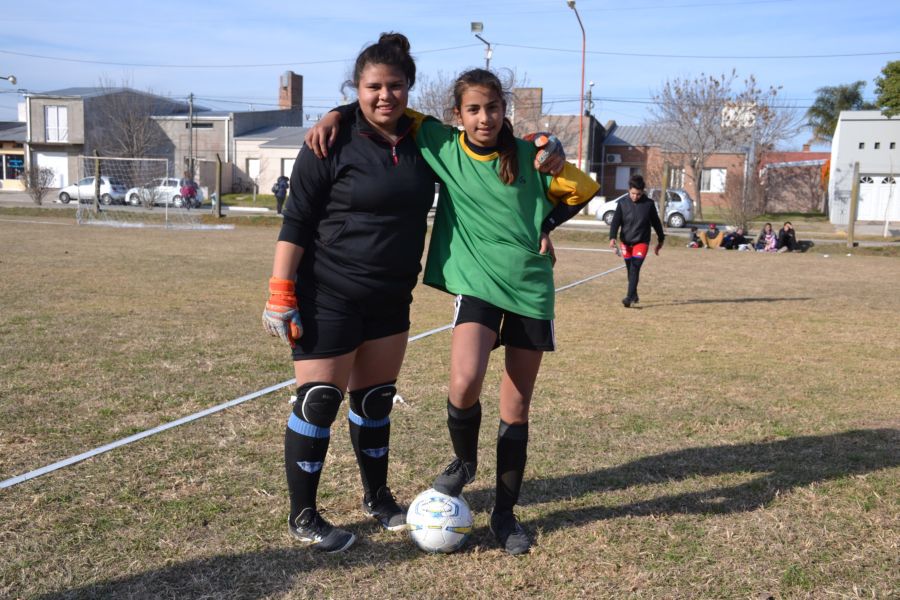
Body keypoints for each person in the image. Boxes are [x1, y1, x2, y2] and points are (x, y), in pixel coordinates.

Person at [270, 34, 563, 554]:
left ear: (409, 89)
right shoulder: (328, 140)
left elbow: (485, 143)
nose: (385, 96)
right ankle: (304, 515)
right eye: (372, 88)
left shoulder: (425, 143)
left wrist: (546, 153)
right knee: (319, 402)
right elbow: (296, 220)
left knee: (375, 401)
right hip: (328, 292)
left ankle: (379, 499)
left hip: (389, 296)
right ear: (355, 90)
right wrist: (280, 290)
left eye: (396, 86)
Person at [608, 174, 665, 307]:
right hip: (626, 242)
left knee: (635, 268)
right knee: (630, 270)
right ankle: (634, 295)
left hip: (641, 242)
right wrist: (612, 238)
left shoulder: (649, 204)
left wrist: (661, 239)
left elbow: (656, 223)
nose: (635, 196)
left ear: (642, 192)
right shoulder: (622, 204)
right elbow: (615, 222)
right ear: (629, 190)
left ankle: (629, 297)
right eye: (633, 193)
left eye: (638, 194)